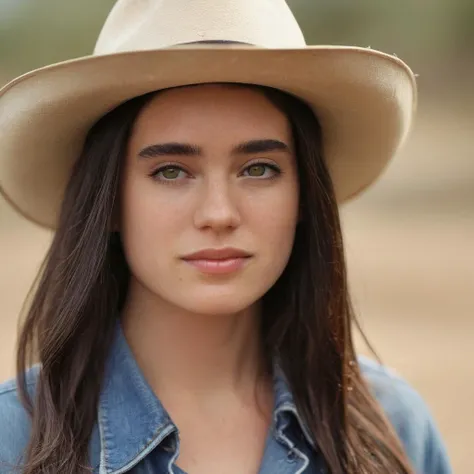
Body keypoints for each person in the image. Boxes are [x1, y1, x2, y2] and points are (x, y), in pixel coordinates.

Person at [0, 1, 451, 473]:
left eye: (259, 169)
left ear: (303, 195)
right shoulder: (15, 444)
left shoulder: (395, 430)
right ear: (109, 200)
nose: (219, 214)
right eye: (171, 171)